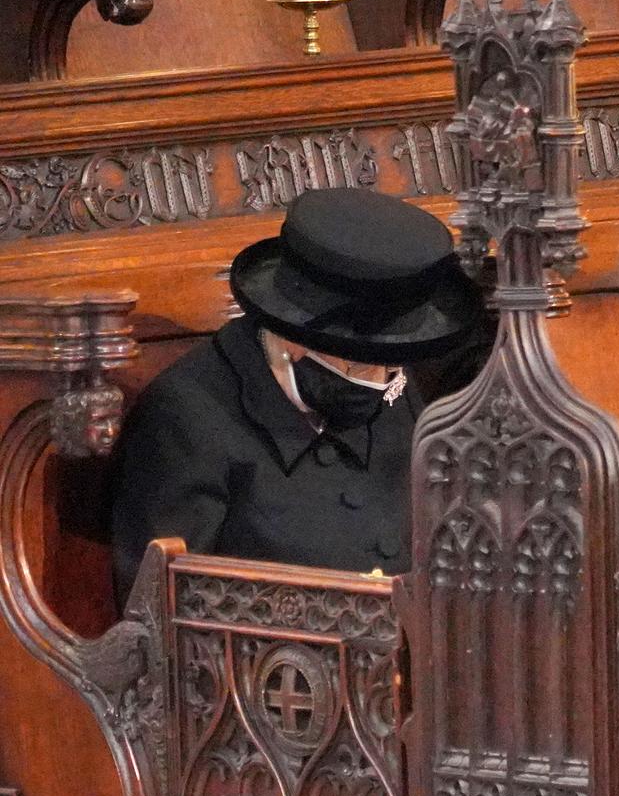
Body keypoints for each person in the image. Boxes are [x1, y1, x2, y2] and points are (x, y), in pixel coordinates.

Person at [111, 188, 490, 609]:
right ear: (295, 338)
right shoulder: (187, 419)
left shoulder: (390, 380)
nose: (383, 383)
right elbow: (163, 618)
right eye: (362, 365)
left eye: (392, 367)